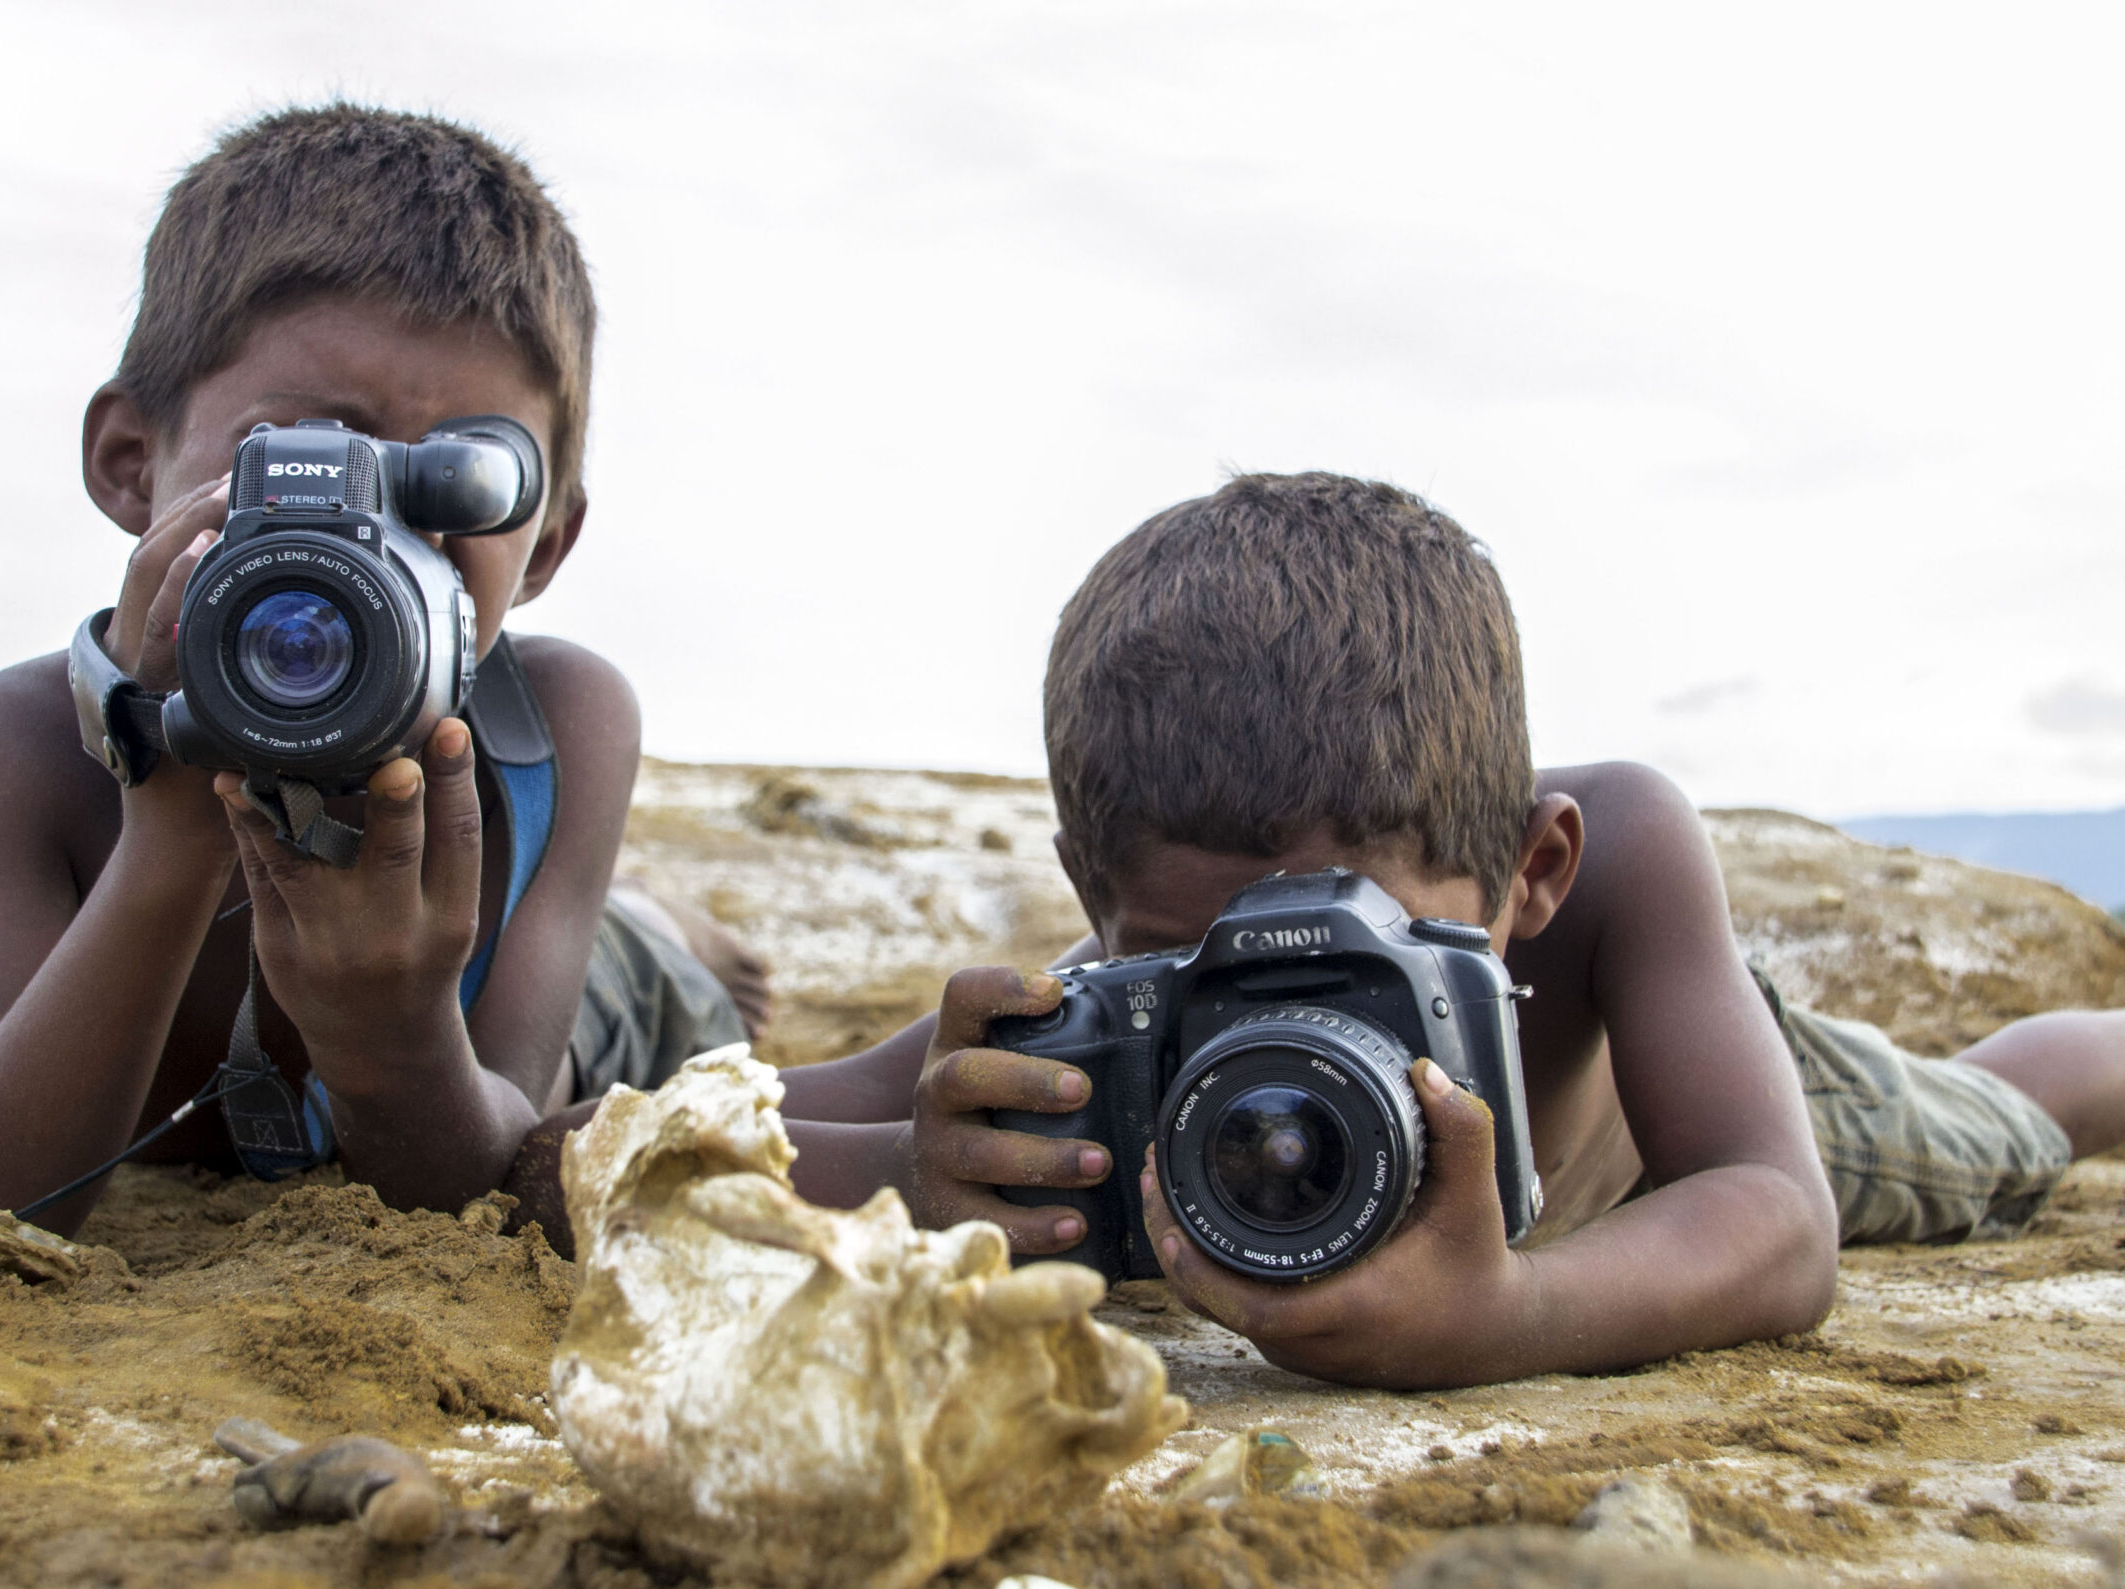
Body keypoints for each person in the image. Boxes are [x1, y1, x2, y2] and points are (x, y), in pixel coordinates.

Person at [601, 472, 2116, 1390]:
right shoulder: (1141, 980)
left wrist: (1508, 1313)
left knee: (2003, 1106)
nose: (1275, 1003)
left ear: (1532, 871)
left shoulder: (1623, 858)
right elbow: (753, 1118)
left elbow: (1782, 1225)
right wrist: (929, 1173)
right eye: (1205, 957)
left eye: (1365, 964)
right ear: (1100, 901)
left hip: (1729, 1125)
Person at [0, 104, 749, 1233]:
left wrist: (395, 1041)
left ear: (542, 544)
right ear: (129, 464)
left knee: (636, 971)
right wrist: (169, 830)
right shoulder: (14, 753)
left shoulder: (557, 729)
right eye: (309, 459)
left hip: (593, 1004)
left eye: (464, 483)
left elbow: (481, 1171)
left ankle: (660, 930)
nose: (378, 544)